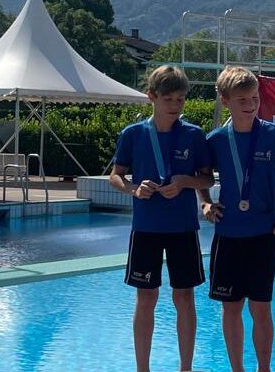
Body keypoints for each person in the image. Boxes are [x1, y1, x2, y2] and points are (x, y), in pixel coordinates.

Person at [108, 66, 213, 372]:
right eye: (168, 99)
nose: (175, 105)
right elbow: (115, 175)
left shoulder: (194, 135)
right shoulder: (133, 134)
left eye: (180, 99)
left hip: (183, 228)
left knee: (184, 297)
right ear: (151, 97)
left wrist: (184, 182)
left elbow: (207, 179)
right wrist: (133, 189)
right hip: (146, 228)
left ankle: (186, 368)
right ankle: (142, 368)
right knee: (146, 297)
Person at [199, 66, 275, 372]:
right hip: (228, 234)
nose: (250, 105)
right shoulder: (216, 139)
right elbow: (201, 176)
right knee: (231, 308)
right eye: (242, 99)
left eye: (254, 98)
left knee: (261, 308)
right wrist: (205, 203)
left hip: (262, 235)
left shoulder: (273, 136)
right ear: (225, 100)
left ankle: (263, 369)